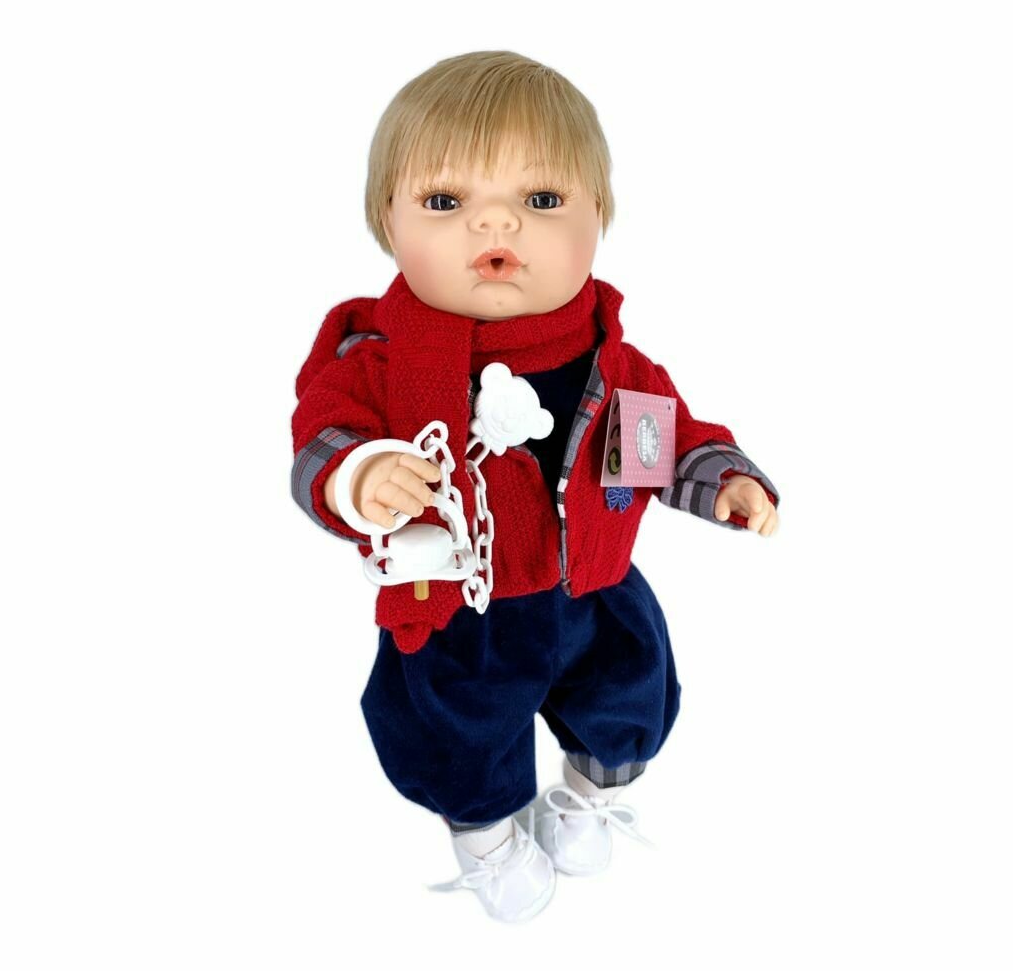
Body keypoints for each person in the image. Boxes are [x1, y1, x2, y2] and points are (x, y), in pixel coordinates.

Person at [290, 50, 780, 924]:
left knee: (631, 692)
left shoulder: (611, 361)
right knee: (455, 730)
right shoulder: (383, 365)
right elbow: (323, 436)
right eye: (446, 203)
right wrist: (359, 474)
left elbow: (666, 440)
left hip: (594, 588)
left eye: (543, 199)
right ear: (386, 223)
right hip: (459, 604)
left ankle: (591, 795)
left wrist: (722, 480)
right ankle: (485, 835)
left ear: (600, 218)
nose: (496, 223)